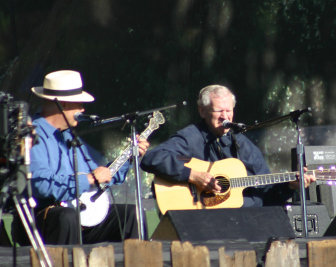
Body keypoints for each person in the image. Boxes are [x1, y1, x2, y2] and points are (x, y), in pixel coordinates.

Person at [13, 70, 150, 245]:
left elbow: (101, 176)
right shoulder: (31, 135)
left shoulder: (70, 137)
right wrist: (90, 179)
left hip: (79, 216)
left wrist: (129, 157)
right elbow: (41, 186)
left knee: (133, 215)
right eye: (79, 104)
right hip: (41, 218)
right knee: (67, 217)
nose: (83, 110)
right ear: (63, 104)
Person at [140, 84, 315, 208]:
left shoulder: (244, 146)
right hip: (198, 222)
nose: (225, 116)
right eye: (219, 111)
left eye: (229, 110)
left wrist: (289, 187)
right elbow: (151, 158)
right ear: (202, 111)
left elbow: (266, 195)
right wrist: (192, 175)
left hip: (243, 225)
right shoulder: (191, 137)